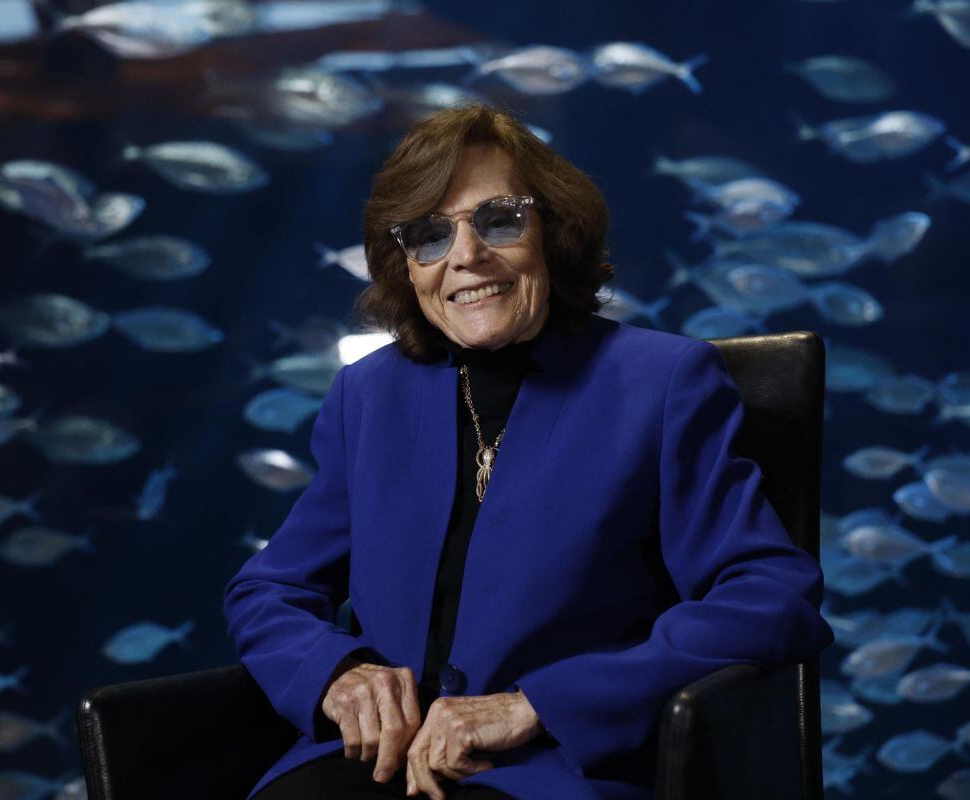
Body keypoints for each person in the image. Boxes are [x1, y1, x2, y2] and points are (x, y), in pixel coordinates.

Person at [223, 104, 835, 800]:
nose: (465, 256)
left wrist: (539, 703)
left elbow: (770, 595)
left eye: (499, 220)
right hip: (366, 767)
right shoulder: (366, 394)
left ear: (556, 231)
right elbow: (268, 588)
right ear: (408, 266)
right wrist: (335, 673)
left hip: (550, 771)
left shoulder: (663, 381)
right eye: (428, 235)